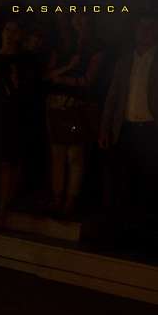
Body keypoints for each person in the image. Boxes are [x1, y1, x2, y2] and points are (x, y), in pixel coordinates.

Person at [99, 12, 158, 244]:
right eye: (141, 28)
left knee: (149, 182)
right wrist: (105, 128)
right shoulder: (125, 60)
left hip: (151, 130)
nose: (144, 32)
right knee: (124, 181)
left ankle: (145, 235)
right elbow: (112, 96)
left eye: (150, 28)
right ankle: (123, 233)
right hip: (126, 129)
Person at [44, 13, 106, 217]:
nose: (79, 22)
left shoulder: (95, 48)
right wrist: (68, 69)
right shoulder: (62, 46)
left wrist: (61, 79)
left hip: (77, 108)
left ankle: (70, 200)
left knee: (74, 156)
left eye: (83, 18)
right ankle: (56, 198)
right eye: (75, 18)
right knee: (57, 154)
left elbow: (88, 81)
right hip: (56, 107)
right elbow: (47, 75)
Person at [0, 19, 30, 225]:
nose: (10, 34)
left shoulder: (24, 61)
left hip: (13, 118)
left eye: (15, 30)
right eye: (7, 30)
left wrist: (16, 82)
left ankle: (2, 209)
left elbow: (26, 93)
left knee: (7, 165)